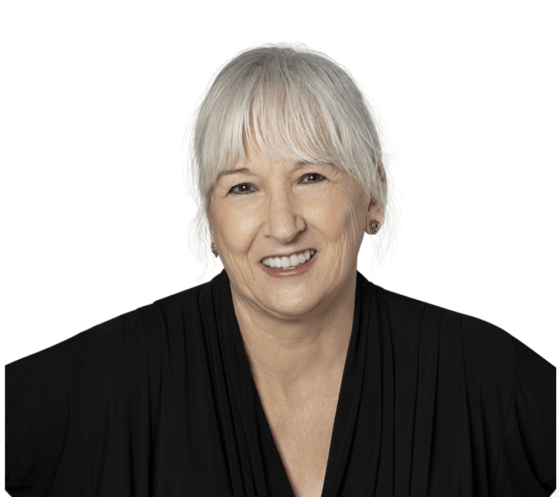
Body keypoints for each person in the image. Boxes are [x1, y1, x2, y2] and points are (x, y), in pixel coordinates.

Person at [5, 43, 556, 497]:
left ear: (374, 195)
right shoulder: (102, 386)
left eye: (311, 177)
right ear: (213, 221)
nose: (283, 225)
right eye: (243, 187)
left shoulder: (489, 381)